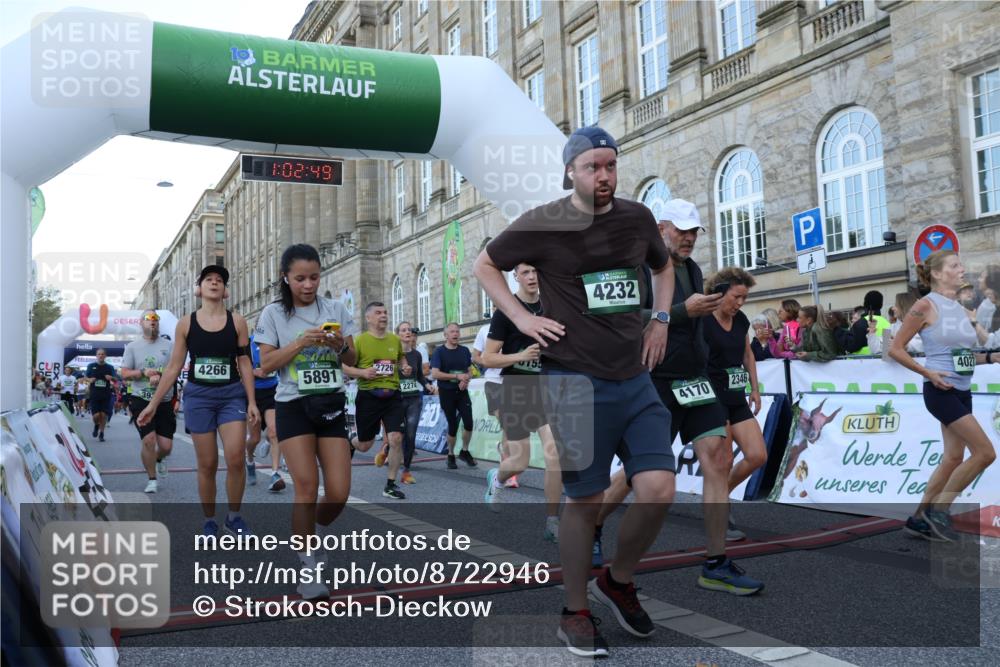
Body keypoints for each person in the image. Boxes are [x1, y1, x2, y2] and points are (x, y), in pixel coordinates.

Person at [474, 126, 677, 658]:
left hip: (634, 377)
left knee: (658, 488)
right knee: (584, 500)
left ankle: (618, 580)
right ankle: (575, 611)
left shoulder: (636, 217)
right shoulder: (543, 222)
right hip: (573, 381)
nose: (604, 176)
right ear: (570, 171)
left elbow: (663, 266)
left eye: (610, 165)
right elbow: (485, 264)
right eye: (592, 167)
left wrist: (659, 319)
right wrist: (521, 317)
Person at [593, 199, 763, 594]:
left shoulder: (693, 268)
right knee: (639, 474)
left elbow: (695, 323)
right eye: (681, 230)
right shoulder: (635, 264)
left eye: (693, 232)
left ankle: (715, 562)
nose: (688, 238)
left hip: (695, 380)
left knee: (719, 459)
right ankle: (594, 523)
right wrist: (684, 310)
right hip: (653, 380)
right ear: (660, 228)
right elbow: (616, 319)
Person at [255, 243, 358, 599]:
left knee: (339, 493)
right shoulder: (273, 314)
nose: (309, 285)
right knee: (306, 487)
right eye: (300, 278)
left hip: (331, 404)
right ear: (286, 277)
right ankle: (308, 565)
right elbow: (266, 364)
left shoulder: (335, 308)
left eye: (314, 277)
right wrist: (300, 342)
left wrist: (339, 345)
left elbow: (352, 357)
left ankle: (310, 532)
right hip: (293, 406)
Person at [138, 265, 260, 537]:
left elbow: (244, 362)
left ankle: (234, 518)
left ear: (225, 291)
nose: (214, 283)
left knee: (235, 459)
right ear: (199, 288)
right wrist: (153, 404)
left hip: (231, 395)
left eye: (219, 280)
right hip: (199, 397)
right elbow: (173, 367)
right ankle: (209, 521)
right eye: (208, 279)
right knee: (207, 464)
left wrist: (252, 401)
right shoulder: (185, 323)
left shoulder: (238, 321)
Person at [888, 250, 998, 541]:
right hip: (940, 391)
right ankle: (938, 511)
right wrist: (928, 373)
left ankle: (918, 519)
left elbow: (963, 357)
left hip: (962, 391)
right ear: (937, 273)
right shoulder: (925, 305)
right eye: (955, 265)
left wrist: (991, 358)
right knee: (985, 453)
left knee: (952, 458)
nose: (962, 269)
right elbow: (895, 349)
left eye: (961, 265)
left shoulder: (958, 308)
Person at [480, 262, 562, 542]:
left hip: (547, 390)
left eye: (535, 271)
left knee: (555, 454)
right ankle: (498, 478)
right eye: (525, 272)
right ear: (515, 276)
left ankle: (553, 521)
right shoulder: (506, 312)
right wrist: (520, 356)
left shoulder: (552, 306)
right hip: (516, 390)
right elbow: (487, 358)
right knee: (519, 462)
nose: (532, 276)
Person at [703, 268, 768, 541]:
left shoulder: (740, 319)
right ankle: (720, 513)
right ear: (720, 294)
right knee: (725, 460)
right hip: (711, 397)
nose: (740, 303)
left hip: (736, 395)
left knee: (757, 455)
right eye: (736, 297)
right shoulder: (703, 319)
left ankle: (720, 496)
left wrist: (755, 389)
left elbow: (747, 354)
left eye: (744, 298)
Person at [343, 301, 412, 500]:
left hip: (393, 396)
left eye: (385, 312)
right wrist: (362, 372)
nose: (383, 315)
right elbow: (344, 367)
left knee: (396, 438)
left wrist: (405, 366)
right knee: (365, 445)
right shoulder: (360, 341)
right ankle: (351, 441)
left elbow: (401, 358)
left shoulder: (394, 339)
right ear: (368, 318)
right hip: (368, 397)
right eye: (378, 313)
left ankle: (390, 485)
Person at [121, 310, 175, 494]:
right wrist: (143, 373)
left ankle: (159, 458)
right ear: (141, 322)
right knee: (149, 441)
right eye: (149, 318)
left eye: (155, 318)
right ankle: (152, 479)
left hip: (164, 400)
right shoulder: (132, 347)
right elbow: (125, 373)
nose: (153, 321)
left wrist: (160, 374)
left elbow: (175, 370)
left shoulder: (169, 346)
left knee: (166, 446)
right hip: (141, 399)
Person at [430, 323, 477, 470]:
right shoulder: (439, 352)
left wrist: (466, 379)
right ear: (445, 335)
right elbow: (435, 374)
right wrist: (457, 376)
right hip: (447, 392)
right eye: (452, 332)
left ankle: (464, 451)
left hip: (462, 392)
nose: (455, 334)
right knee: (453, 425)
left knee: (469, 423)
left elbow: (470, 371)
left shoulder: (464, 350)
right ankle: (450, 454)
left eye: (457, 331)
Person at [396, 321, 434, 484]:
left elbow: (419, 376)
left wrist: (427, 385)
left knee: (411, 434)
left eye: (409, 330)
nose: (408, 332)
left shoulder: (417, 355)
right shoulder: (393, 354)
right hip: (397, 399)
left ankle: (406, 470)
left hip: (413, 398)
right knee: (397, 436)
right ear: (398, 334)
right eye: (403, 330)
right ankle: (387, 449)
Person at [247, 333, 284, 493]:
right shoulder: (247, 343)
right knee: (254, 438)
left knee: (274, 431)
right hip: (252, 393)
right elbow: (238, 366)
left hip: (272, 390)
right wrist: (254, 372)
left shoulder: (276, 341)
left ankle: (275, 473)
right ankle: (249, 460)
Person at [85, 349, 117, 442]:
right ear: (96, 356)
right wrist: (90, 380)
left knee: (103, 415)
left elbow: (115, 379)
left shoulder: (110, 367)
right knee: (96, 416)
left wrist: (111, 378)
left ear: (105, 356)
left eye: (102, 354)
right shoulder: (91, 366)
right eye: (99, 354)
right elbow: (85, 377)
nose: (100, 356)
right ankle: (96, 425)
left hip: (106, 394)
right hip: (94, 394)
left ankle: (102, 433)